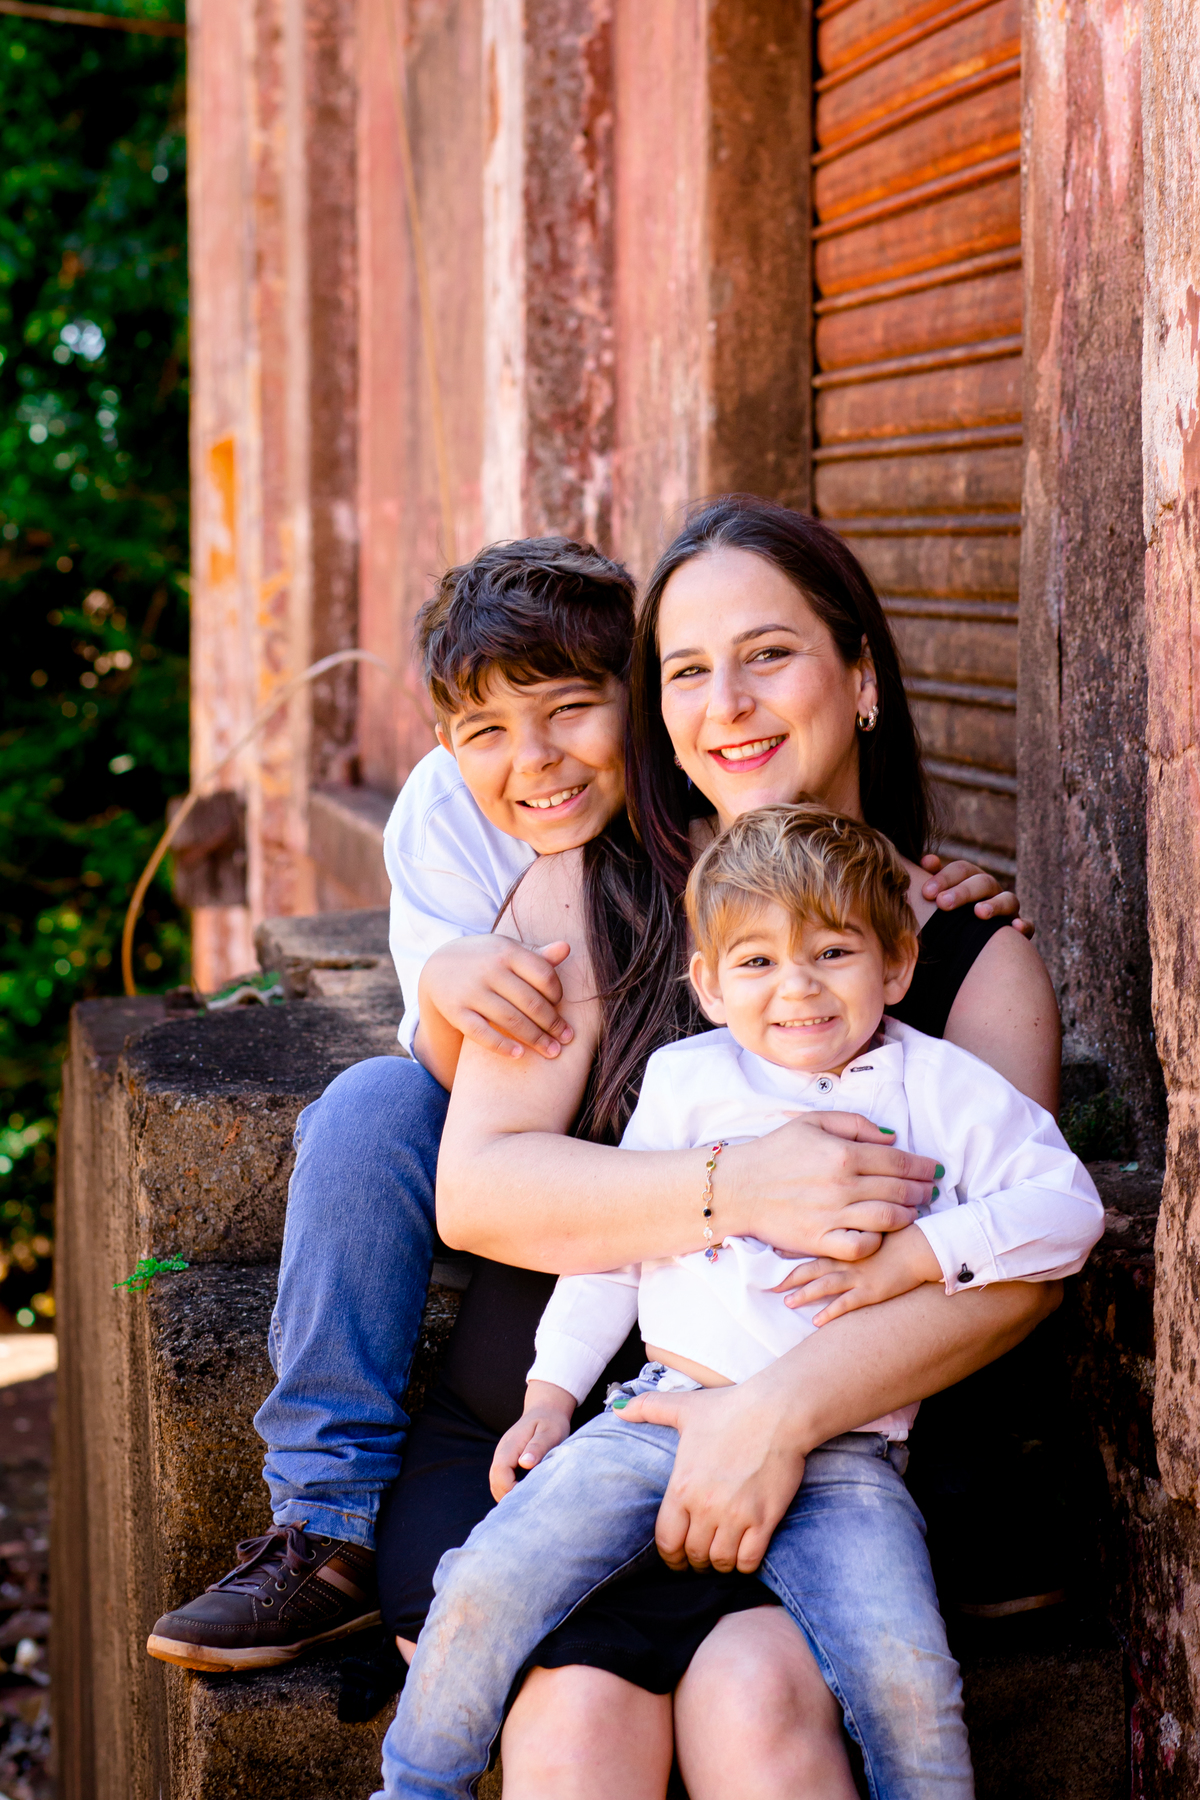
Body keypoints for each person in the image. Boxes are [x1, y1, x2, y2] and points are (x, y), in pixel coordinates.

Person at [144, 529, 1016, 1676]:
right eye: (693, 670)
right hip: (518, 1193)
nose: (537, 758)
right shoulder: (518, 852)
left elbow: (1014, 1246)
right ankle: (326, 1512)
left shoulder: (937, 942)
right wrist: (454, 979)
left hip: (800, 1380)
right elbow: (471, 1147)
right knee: (369, 1114)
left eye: (572, 709)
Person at [375, 498, 1063, 1800]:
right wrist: (738, 1186)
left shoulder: (968, 966)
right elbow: (479, 1189)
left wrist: (767, 1419)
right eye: (686, 671)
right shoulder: (586, 891)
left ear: (862, 678)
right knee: (572, 1730)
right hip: (541, 1440)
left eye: (769, 655)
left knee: (756, 1713)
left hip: (830, 1464)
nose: (728, 705)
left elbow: (1015, 1270)